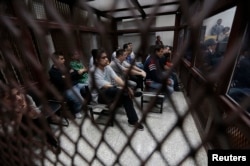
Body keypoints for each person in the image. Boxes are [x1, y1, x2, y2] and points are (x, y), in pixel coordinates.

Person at [88, 49, 144, 130]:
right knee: (118, 90)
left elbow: (117, 78)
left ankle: (133, 121)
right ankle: (129, 94)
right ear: (96, 60)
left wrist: (126, 88)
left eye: (106, 57)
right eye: (103, 58)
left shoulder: (107, 67)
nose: (107, 59)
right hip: (99, 96)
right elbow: (106, 86)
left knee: (125, 95)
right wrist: (124, 89)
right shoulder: (93, 72)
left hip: (111, 91)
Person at [49, 51, 84, 119]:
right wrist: (69, 75)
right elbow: (61, 82)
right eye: (61, 59)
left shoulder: (65, 66)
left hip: (75, 84)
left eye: (63, 58)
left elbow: (75, 73)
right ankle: (77, 111)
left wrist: (66, 76)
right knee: (80, 99)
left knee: (88, 86)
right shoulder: (52, 71)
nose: (64, 60)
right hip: (65, 89)